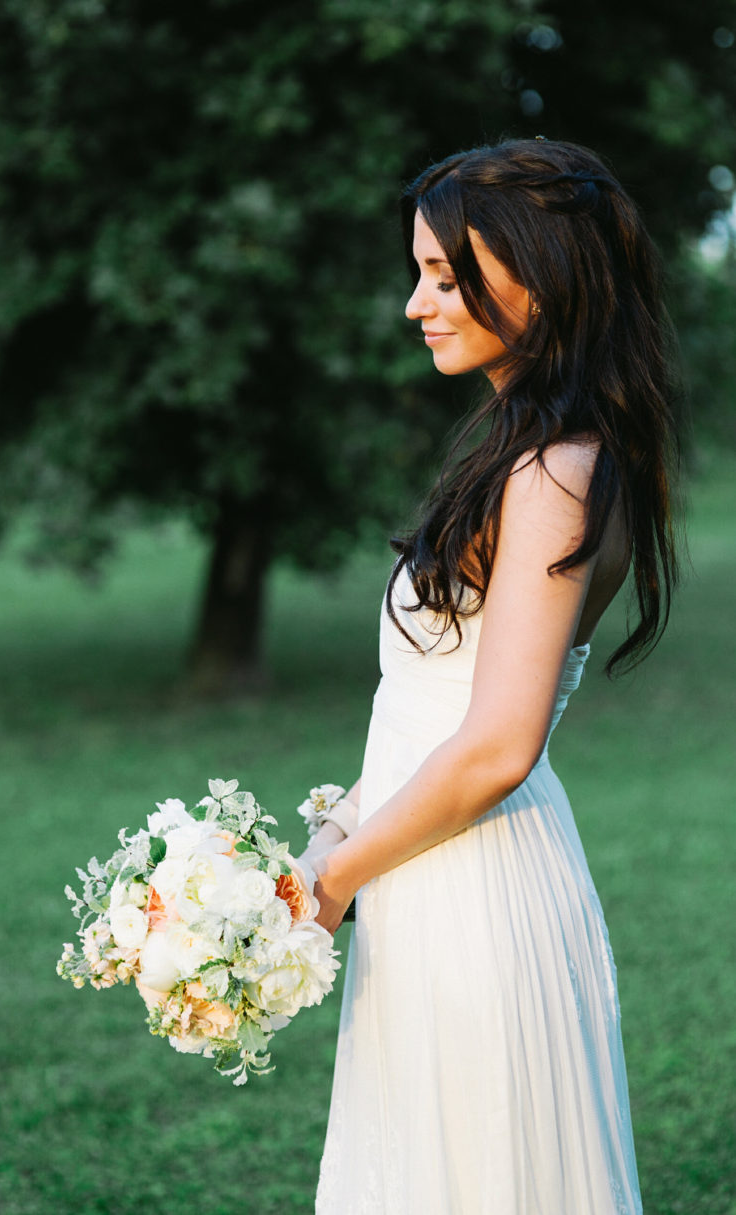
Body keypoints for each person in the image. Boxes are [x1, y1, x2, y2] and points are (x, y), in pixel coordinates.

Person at [300, 138, 680, 1214]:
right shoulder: (519, 445)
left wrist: (332, 883)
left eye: (443, 274)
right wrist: (332, 835)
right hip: (421, 865)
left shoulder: (559, 469)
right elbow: (432, 711)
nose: (417, 304)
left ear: (539, 273)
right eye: (417, 273)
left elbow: (501, 743)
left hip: (477, 887)